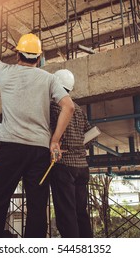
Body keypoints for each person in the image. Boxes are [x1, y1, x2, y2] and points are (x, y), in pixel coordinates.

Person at [0, 34, 75, 238]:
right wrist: (54, 140)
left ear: (18, 55)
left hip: (10, 148)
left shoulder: (4, 72)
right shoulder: (49, 79)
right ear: (39, 58)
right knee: (37, 206)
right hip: (39, 152)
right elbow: (68, 106)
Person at [50, 69, 93, 238]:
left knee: (66, 215)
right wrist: (78, 146)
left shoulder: (54, 107)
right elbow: (92, 136)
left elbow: (51, 134)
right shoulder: (79, 109)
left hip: (63, 167)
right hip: (82, 168)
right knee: (80, 212)